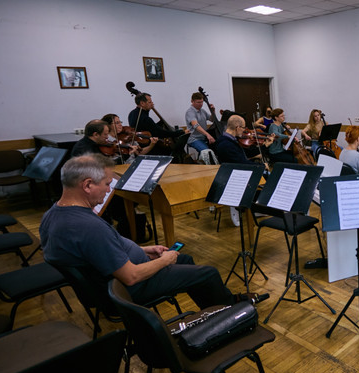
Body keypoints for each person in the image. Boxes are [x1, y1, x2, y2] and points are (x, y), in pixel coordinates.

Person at [40, 155, 260, 308]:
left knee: (185, 258)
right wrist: (164, 261)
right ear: (87, 185)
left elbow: (99, 251)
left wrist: (143, 250)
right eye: (107, 184)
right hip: (124, 290)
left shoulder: (54, 213)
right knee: (208, 273)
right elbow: (131, 276)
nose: (109, 189)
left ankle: (217, 307)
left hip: (112, 275)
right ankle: (230, 310)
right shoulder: (88, 227)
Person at [215, 114, 272, 227]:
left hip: (239, 170)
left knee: (268, 175)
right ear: (237, 127)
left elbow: (245, 154)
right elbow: (242, 164)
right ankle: (253, 207)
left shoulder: (230, 140)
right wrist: (261, 167)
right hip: (234, 176)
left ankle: (259, 207)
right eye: (244, 127)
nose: (245, 131)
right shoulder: (225, 144)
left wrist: (265, 146)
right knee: (269, 176)